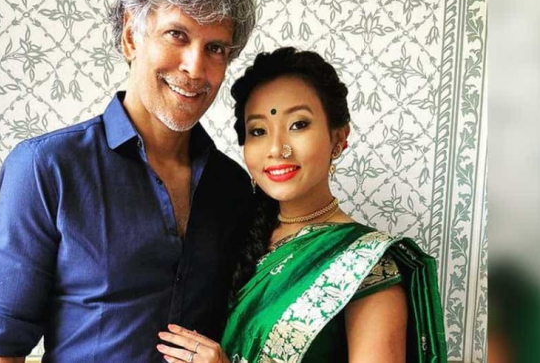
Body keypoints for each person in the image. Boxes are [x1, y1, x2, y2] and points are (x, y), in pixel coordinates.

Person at [0, 0, 256, 362]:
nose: (195, 68)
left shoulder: (233, 186)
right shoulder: (46, 169)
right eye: (177, 35)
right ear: (131, 37)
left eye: (215, 48)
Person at [157, 47, 447, 363]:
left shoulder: (366, 264)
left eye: (298, 125)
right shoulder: (230, 234)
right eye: (258, 131)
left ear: (339, 137)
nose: (277, 149)